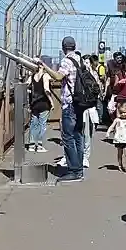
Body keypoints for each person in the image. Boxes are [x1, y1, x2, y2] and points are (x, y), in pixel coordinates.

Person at [56, 36, 87, 182]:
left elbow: (57, 76)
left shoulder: (66, 61)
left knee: (68, 137)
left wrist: (44, 67)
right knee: (78, 136)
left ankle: (73, 170)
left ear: (63, 47)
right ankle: (79, 169)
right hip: (80, 103)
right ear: (74, 46)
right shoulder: (80, 60)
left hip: (69, 103)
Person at [25, 65, 53, 153]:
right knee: (42, 124)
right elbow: (46, 89)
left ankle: (32, 145)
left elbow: (25, 86)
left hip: (34, 103)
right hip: (44, 103)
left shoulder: (32, 76)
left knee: (34, 124)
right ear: (43, 67)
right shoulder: (45, 76)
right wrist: (51, 101)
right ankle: (40, 145)